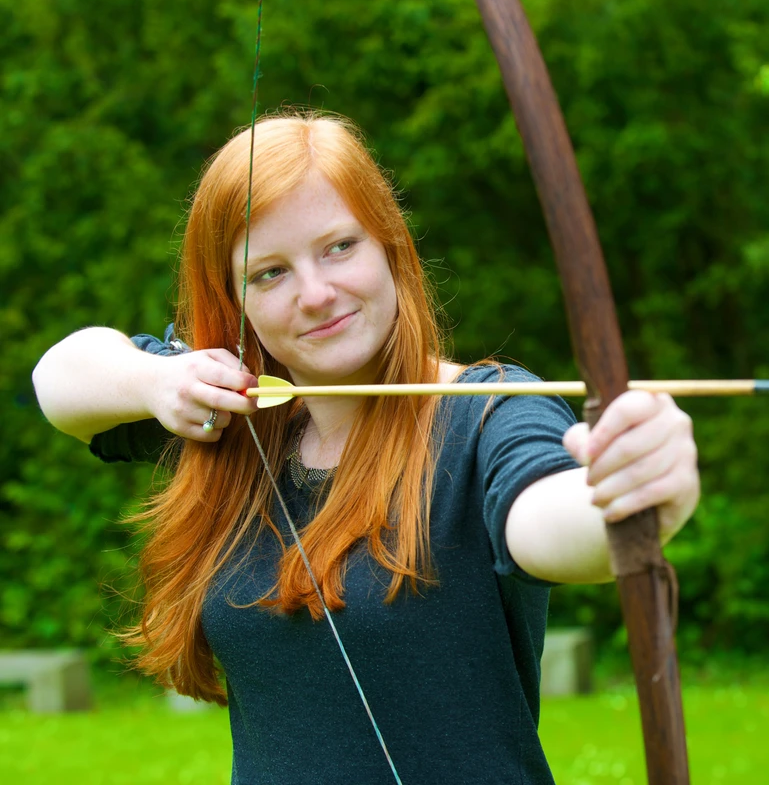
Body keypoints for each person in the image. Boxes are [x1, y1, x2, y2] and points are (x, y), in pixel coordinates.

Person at [33, 113, 700, 784]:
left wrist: (630, 492)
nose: (316, 294)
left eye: (339, 247)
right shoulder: (232, 416)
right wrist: (156, 378)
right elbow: (57, 382)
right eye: (268, 273)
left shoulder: (488, 410)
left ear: (389, 243)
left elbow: (551, 521)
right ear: (233, 300)